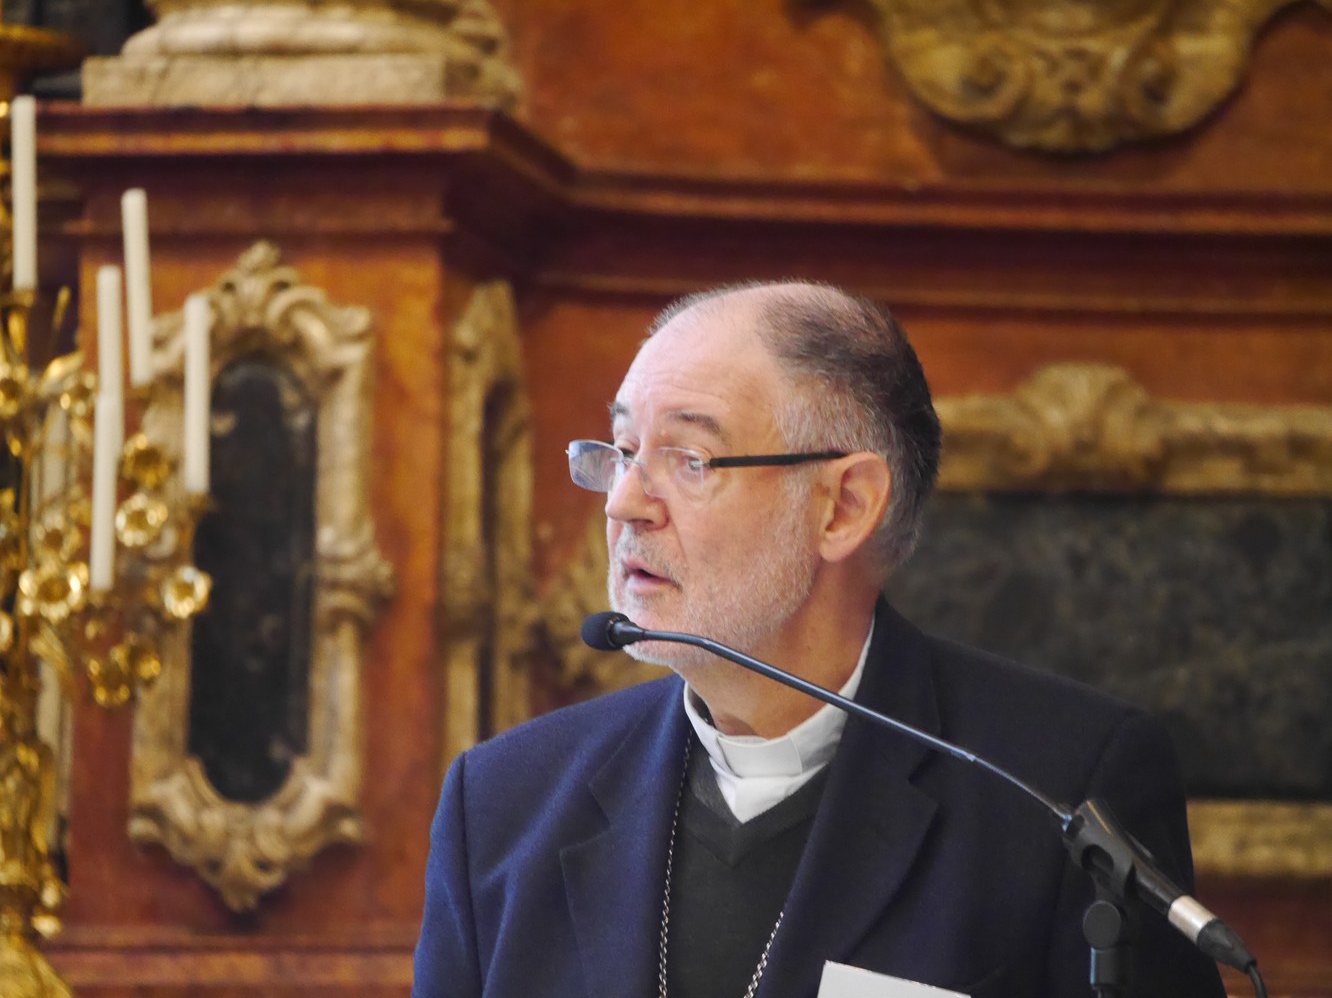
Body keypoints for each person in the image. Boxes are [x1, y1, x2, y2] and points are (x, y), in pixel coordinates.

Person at [412, 282, 1227, 998]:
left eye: (689, 458)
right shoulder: (504, 804)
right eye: (623, 452)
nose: (624, 503)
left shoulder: (1057, 789)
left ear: (843, 507)